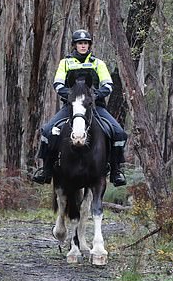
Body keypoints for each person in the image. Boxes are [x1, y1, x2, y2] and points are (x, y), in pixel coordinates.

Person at [32, 29, 127, 187]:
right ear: (74, 45)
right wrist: (71, 96)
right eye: (80, 43)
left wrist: (94, 96)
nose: (83, 46)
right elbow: (58, 84)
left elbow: (108, 85)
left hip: (95, 107)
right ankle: (46, 171)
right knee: (48, 131)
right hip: (71, 107)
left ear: (89, 45)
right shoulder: (65, 63)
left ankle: (116, 171)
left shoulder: (98, 63)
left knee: (119, 133)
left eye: (85, 43)